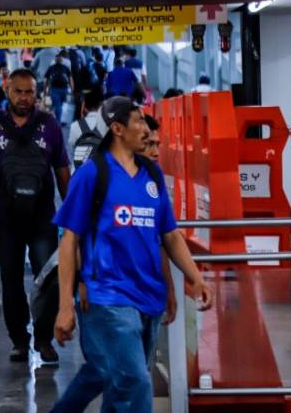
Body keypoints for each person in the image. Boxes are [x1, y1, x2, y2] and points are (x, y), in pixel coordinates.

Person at [52, 96, 214, 413]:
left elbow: (169, 235)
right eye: (138, 121)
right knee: (137, 381)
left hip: (148, 297)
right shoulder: (90, 175)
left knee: (117, 384)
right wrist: (65, 306)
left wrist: (196, 278)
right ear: (117, 128)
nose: (145, 127)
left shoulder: (151, 176)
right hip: (108, 296)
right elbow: (69, 240)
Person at [0, 68, 71, 364]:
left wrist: (71, 210)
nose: (24, 98)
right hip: (5, 218)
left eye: (29, 92)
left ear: (36, 93)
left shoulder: (49, 125)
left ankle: (43, 338)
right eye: (18, 91)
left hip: (43, 218)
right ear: (7, 91)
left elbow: (62, 169)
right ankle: (18, 340)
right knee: (11, 281)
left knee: (48, 279)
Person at [67, 87, 104, 167]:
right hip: (102, 173)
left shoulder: (75, 126)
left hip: (79, 171)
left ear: (85, 107)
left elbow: (70, 153)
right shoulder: (109, 126)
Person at [44, 51, 73, 125]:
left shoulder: (51, 68)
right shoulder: (65, 68)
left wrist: (45, 89)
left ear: (55, 60)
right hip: (64, 89)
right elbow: (70, 79)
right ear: (62, 60)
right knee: (60, 105)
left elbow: (46, 79)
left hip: (54, 88)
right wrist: (72, 89)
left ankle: (57, 120)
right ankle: (59, 121)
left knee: (57, 105)